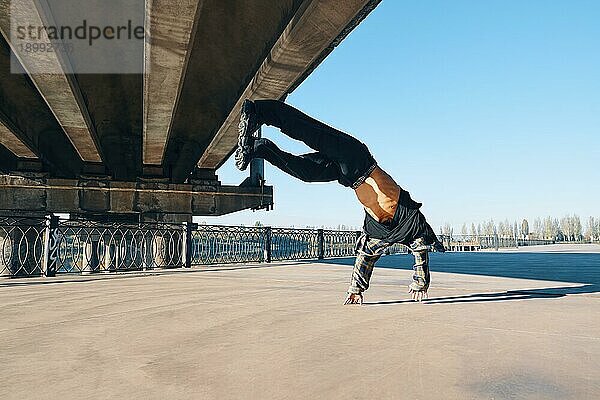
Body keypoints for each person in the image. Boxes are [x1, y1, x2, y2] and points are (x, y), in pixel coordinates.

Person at [235, 99, 445, 304]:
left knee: (305, 173)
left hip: (346, 177)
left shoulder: (376, 235)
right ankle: (260, 111)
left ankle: (259, 148)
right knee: (311, 133)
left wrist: (356, 290)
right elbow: (421, 250)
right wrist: (421, 282)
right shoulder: (411, 221)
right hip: (358, 159)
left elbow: (365, 259)